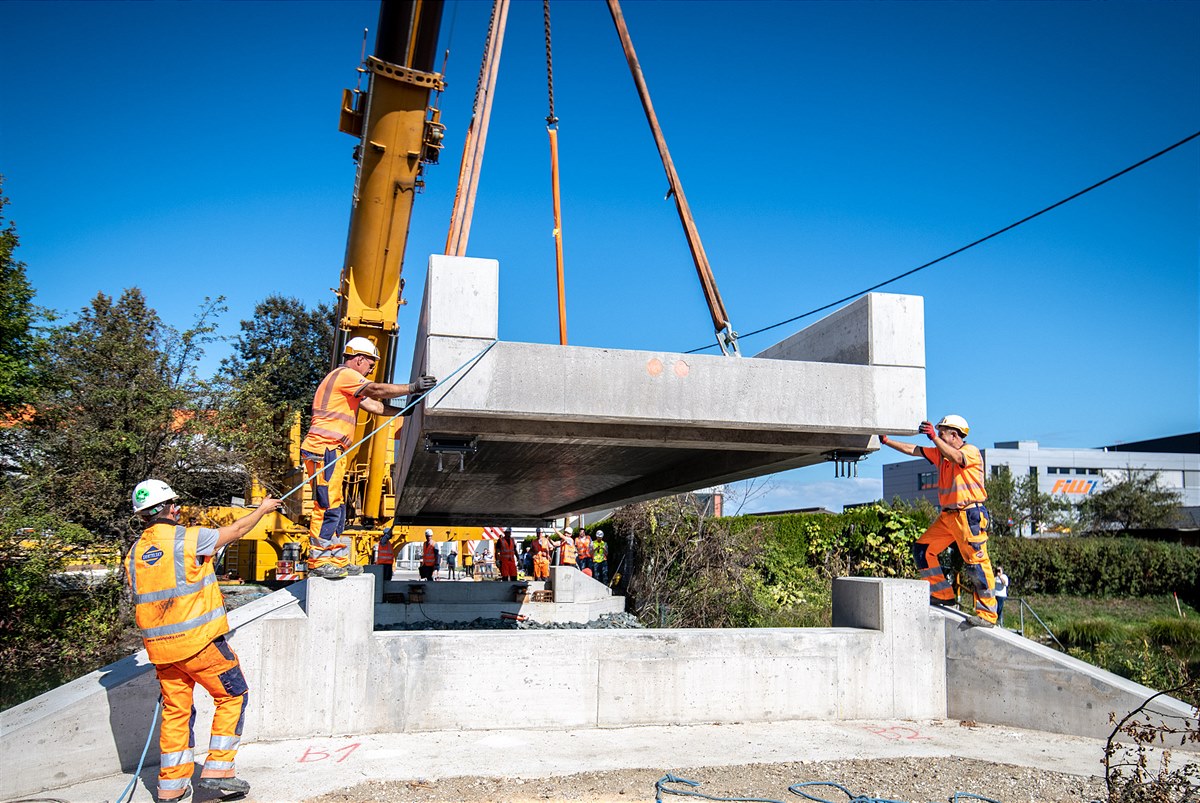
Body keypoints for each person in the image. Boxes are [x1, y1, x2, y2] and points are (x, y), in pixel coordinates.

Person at [126, 479, 282, 802]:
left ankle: (172, 789)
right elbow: (237, 531)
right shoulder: (190, 538)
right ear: (168, 508)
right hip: (200, 645)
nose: (178, 508)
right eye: (175, 504)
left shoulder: (133, 555)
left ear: (143, 516)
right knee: (233, 694)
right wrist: (264, 509)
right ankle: (218, 772)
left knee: (176, 712)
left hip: (162, 654)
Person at [299, 336, 435, 580]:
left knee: (337, 507)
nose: (372, 368)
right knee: (327, 506)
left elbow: (375, 405)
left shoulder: (346, 384)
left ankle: (336, 558)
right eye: (371, 363)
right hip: (325, 450)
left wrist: (405, 410)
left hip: (331, 451)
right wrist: (412, 387)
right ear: (359, 358)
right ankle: (319, 560)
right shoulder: (345, 375)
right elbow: (375, 390)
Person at [879, 414, 998, 627]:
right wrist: (887, 441)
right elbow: (913, 450)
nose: (938, 435)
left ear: (954, 434)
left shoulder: (970, 452)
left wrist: (934, 438)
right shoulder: (940, 455)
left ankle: (988, 615)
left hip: (969, 515)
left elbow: (956, 458)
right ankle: (943, 594)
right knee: (923, 550)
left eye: (942, 432)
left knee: (976, 564)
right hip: (948, 517)